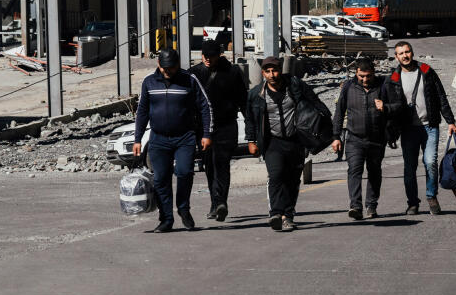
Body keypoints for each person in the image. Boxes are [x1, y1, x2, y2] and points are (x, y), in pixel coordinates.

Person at [245, 56, 330, 232]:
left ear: (280, 71)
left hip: (296, 140)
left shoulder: (295, 85)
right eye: (267, 72)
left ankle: (288, 216)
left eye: (274, 70)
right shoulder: (256, 94)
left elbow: (315, 103)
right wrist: (251, 140)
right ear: (263, 73)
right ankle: (276, 213)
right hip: (272, 142)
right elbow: (251, 120)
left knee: (292, 180)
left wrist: (326, 127)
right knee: (276, 175)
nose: (272, 75)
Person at [132, 49, 211, 233]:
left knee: (184, 173)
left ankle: (183, 208)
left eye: (172, 68)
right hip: (158, 139)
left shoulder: (189, 80)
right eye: (165, 68)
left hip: (185, 137)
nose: (168, 72)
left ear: (178, 65)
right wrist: (137, 139)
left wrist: (206, 134)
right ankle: (166, 219)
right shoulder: (149, 82)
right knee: (161, 180)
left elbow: (205, 107)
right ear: (158, 65)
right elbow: (142, 112)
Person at [387, 41, 456, 215]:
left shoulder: (426, 71)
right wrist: (391, 132)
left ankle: (431, 196)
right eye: (401, 53)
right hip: (408, 129)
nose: (405, 55)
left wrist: (450, 121)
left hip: (430, 126)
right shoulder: (393, 78)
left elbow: (440, 96)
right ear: (396, 56)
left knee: (430, 162)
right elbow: (390, 107)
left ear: (412, 52)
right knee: (409, 167)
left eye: (407, 52)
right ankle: (412, 203)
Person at [331, 60, 400, 219]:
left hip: (377, 139)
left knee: (374, 172)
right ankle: (355, 206)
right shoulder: (349, 87)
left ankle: (371, 205)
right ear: (356, 73)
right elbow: (339, 113)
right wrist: (336, 137)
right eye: (361, 76)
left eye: (368, 76)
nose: (364, 79)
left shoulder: (383, 86)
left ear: (373, 73)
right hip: (354, 138)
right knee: (354, 170)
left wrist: (386, 107)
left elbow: (398, 106)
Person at [190, 39, 249, 222]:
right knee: (209, 166)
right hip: (203, 129)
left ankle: (221, 202)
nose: (208, 59)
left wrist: (252, 129)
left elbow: (243, 100)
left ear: (219, 55)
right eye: (205, 56)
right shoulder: (195, 73)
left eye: (212, 56)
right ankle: (215, 204)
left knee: (222, 163)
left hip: (226, 126)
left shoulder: (232, 72)